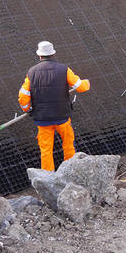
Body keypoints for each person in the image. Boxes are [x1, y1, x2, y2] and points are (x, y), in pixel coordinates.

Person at [18, 41, 90, 171]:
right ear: (54, 54)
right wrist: (87, 83)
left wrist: (27, 109)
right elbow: (81, 87)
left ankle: (48, 177)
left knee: (46, 151)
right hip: (62, 117)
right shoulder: (64, 69)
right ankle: (70, 172)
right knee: (68, 146)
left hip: (43, 119)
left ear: (39, 56)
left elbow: (23, 97)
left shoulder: (32, 72)